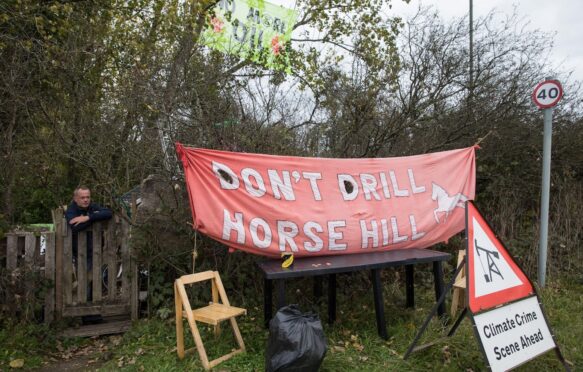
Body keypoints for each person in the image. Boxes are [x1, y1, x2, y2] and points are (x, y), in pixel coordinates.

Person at [65, 186, 112, 323]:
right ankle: (87, 316)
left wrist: (87, 217)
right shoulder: (71, 210)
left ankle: (93, 314)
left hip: (95, 252)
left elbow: (108, 213)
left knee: (95, 281)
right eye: (82, 197)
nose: (86, 200)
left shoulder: (92, 207)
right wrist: (94, 218)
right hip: (79, 253)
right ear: (75, 199)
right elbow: (75, 226)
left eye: (88, 197)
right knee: (85, 283)